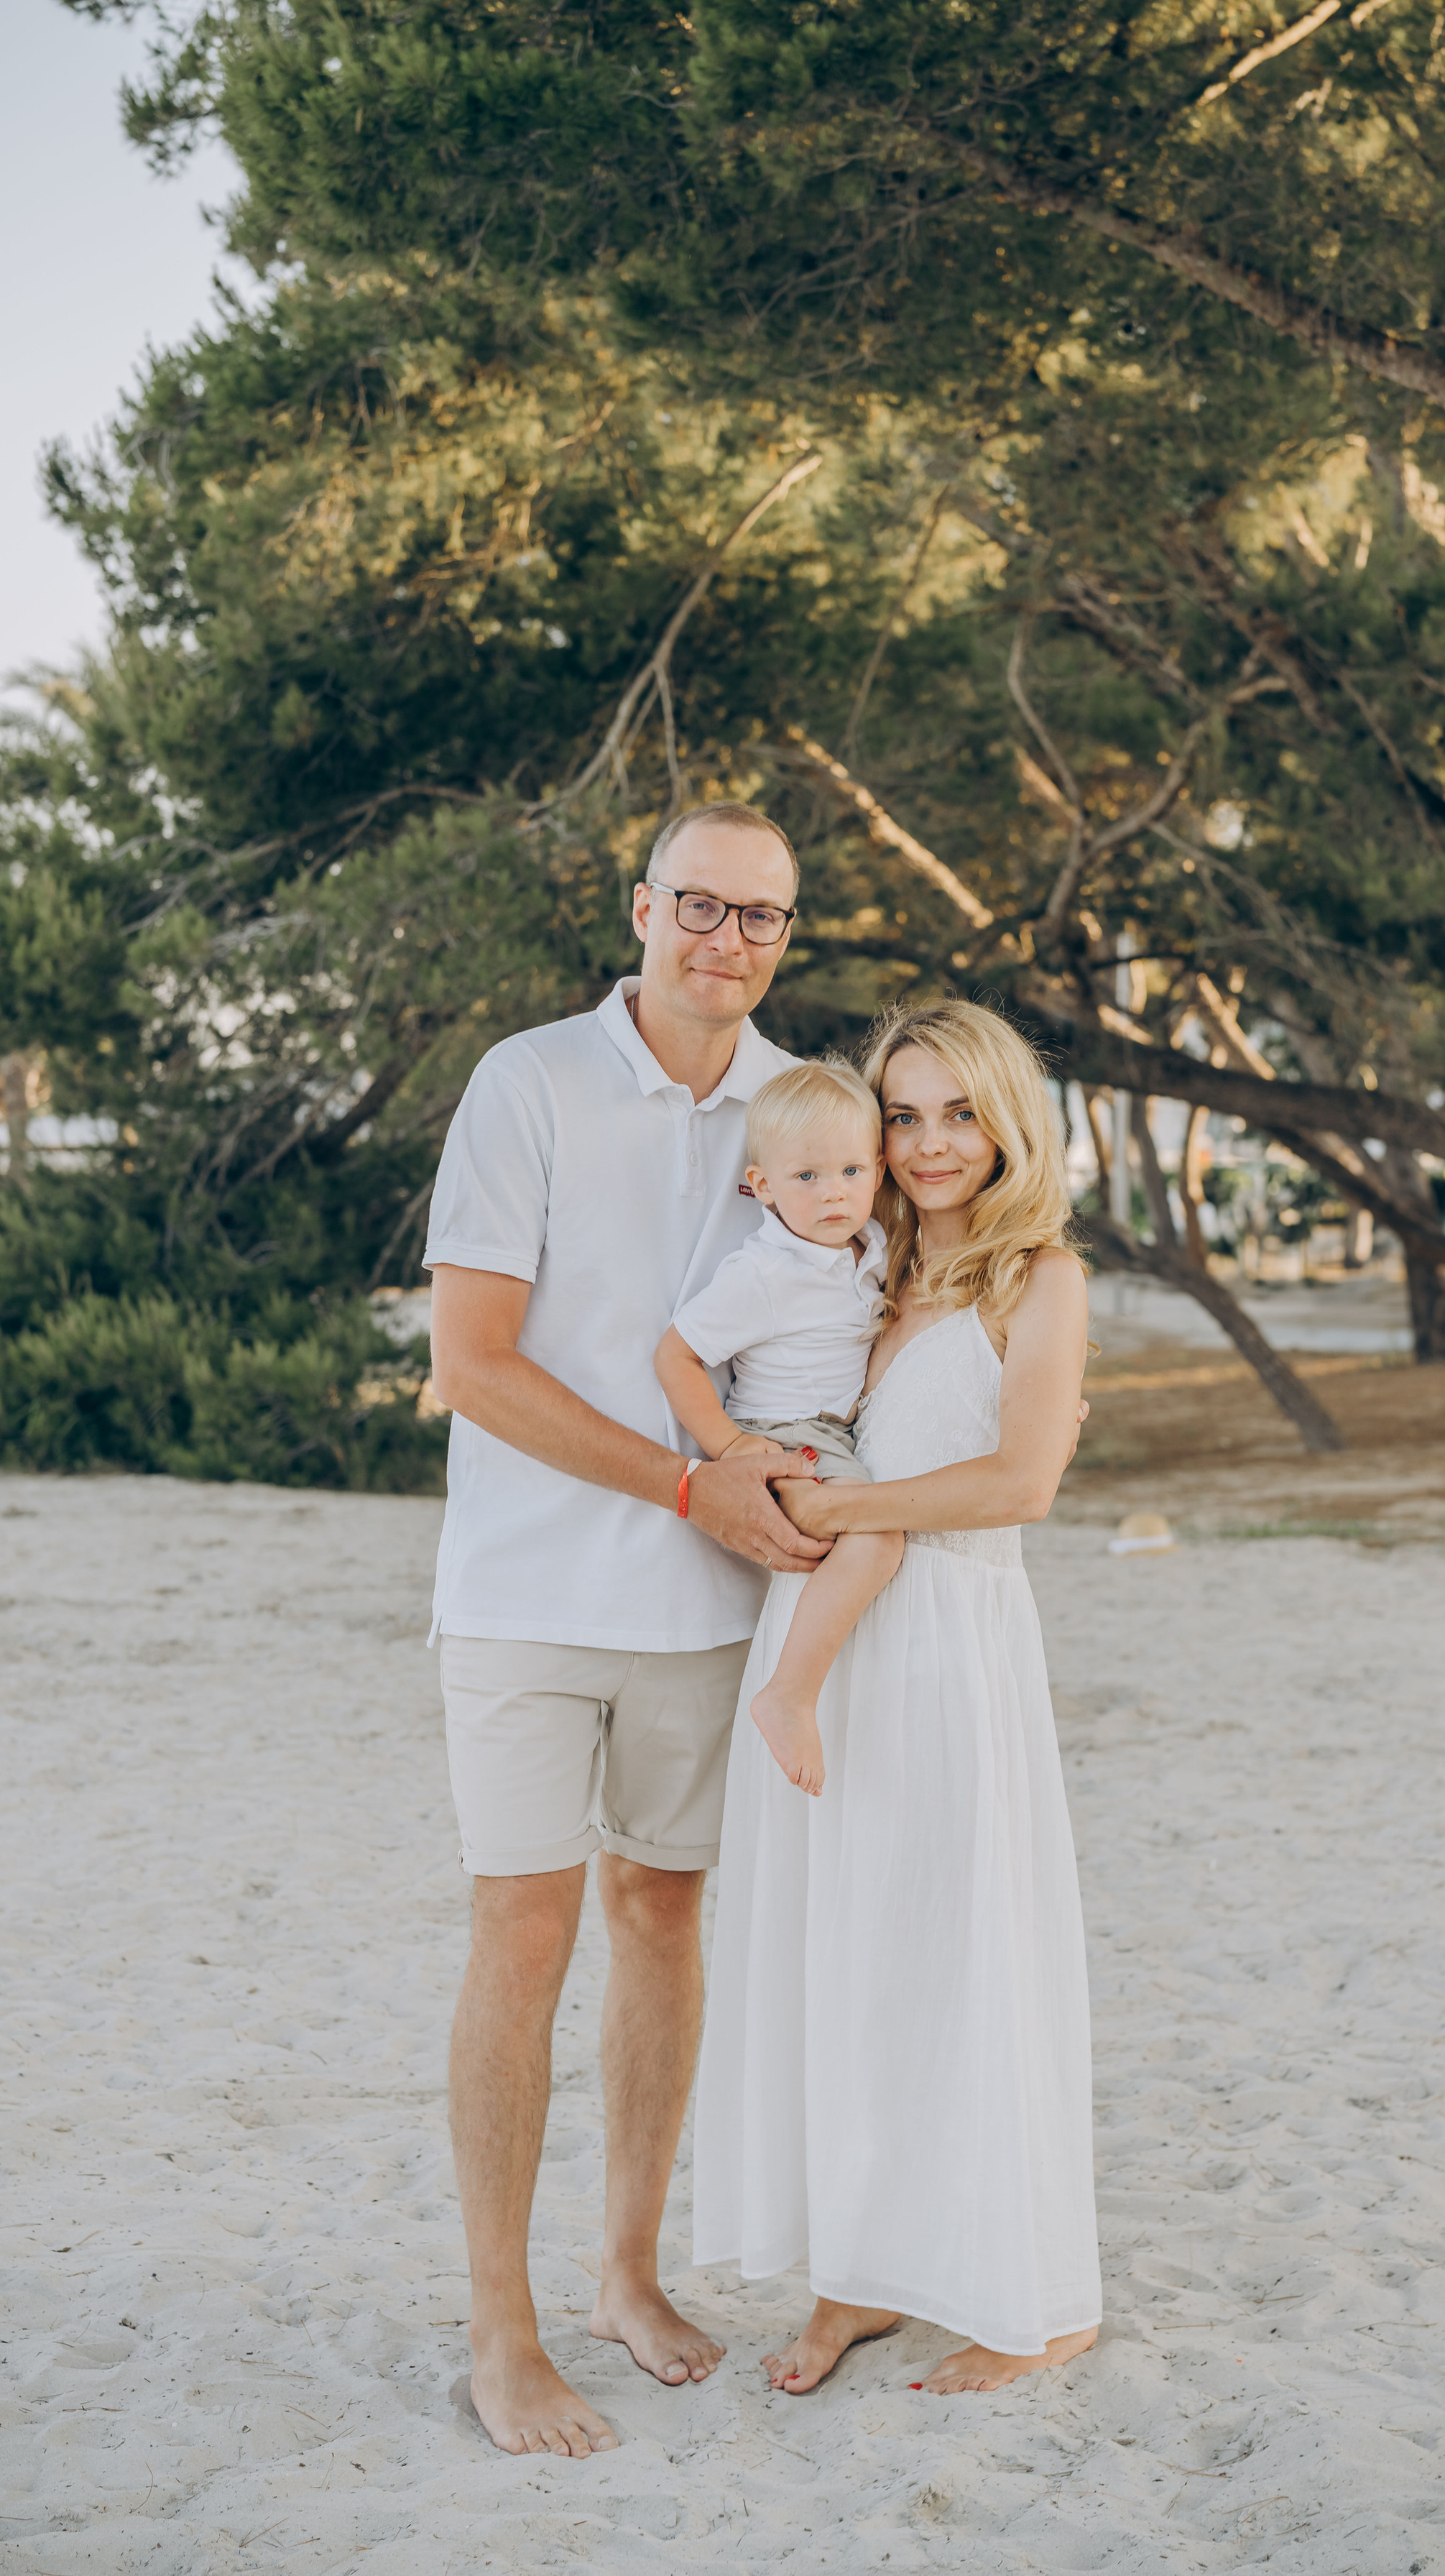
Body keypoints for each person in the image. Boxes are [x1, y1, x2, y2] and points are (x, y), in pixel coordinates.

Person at [424, 801, 828, 2460]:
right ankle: (501, 2333)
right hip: (525, 1595)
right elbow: (476, 1359)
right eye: (701, 906)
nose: (726, 940)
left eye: (762, 917)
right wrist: (686, 1485)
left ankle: (625, 2274)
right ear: (641, 904)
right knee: (523, 1938)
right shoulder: (528, 1082)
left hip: (709, 1606)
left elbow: (827, 1325)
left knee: (661, 1917)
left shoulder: (803, 1106)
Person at [693, 998, 1104, 2396]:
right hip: (824, 1641)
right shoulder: (856, 1265)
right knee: (844, 1967)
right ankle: (855, 2280)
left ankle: (1037, 2297)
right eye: (906, 1113)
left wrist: (849, 1500)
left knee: (960, 1960)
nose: (931, 1143)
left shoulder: (1033, 1275)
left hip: (948, 1652)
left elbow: (1021, 1483)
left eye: (958, 1111)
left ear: (1006, 1120)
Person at [655, 1059, 904, 1797]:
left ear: (879, 1170)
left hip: (840, 1432)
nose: (833, 1191)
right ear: (762, 1187)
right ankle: (788, 1697)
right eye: (806, 1177)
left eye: (851, 1170)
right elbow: (675, 1354)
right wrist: (730, 1449)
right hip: (785, 1434)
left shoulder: (871, 1247)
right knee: (876, 1540)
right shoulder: (763, 1272)